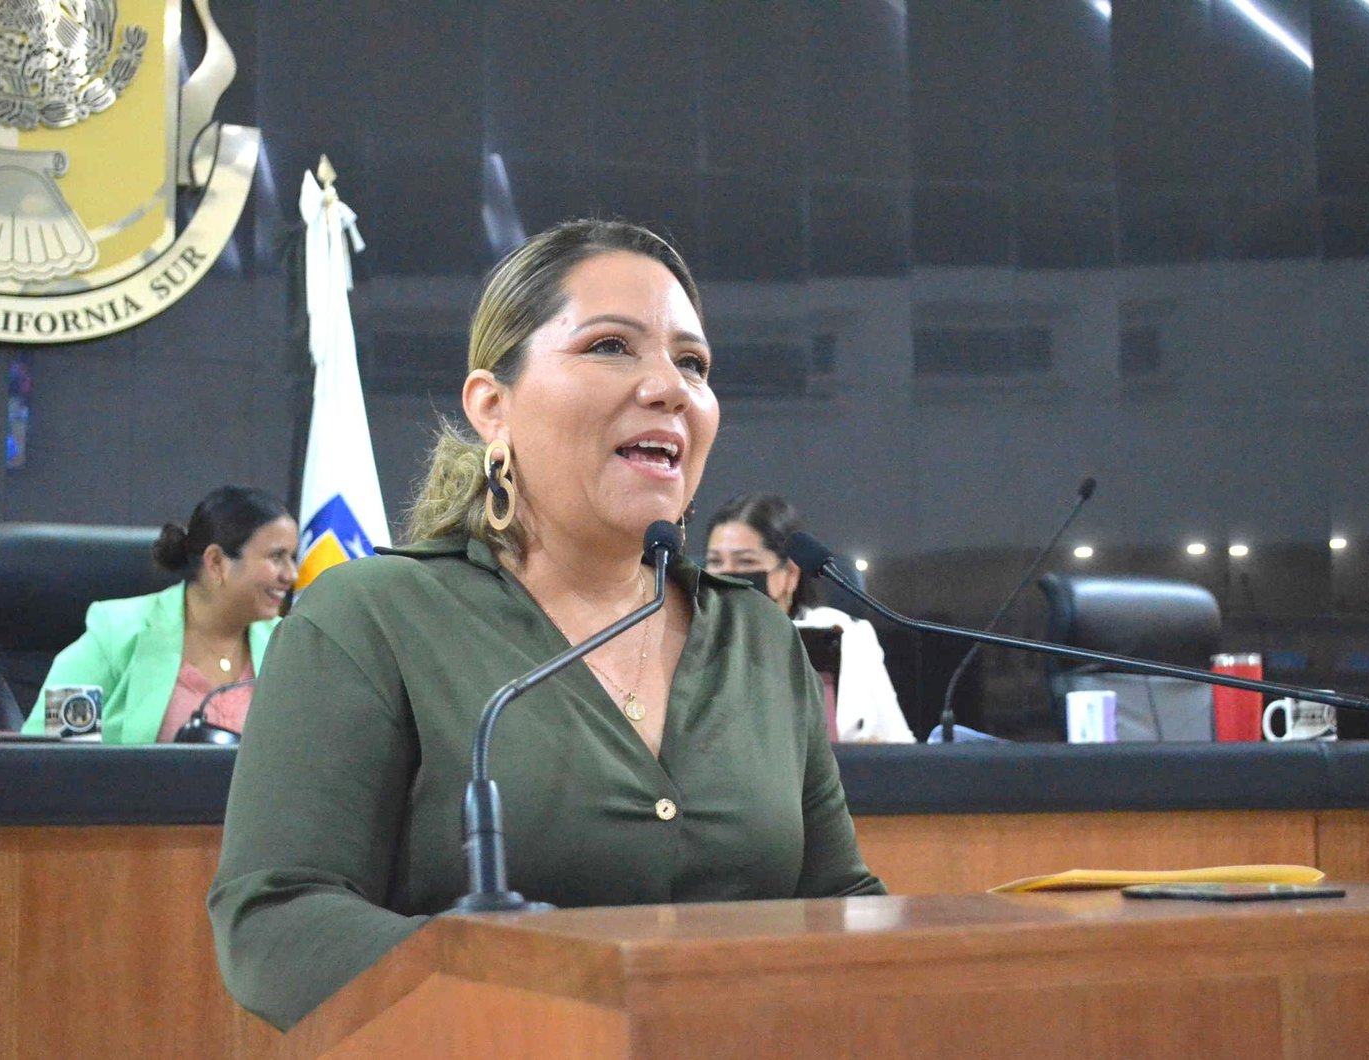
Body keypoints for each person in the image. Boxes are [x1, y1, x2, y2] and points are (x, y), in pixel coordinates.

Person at [208, 219, 885, 1031]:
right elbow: (276, 920)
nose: (670, 387)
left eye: (693, 363)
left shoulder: (757, 639)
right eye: (611, 346)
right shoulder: (369, 618)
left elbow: (838, 899)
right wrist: (539, 996)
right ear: (492, 406)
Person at [24, 485, 297, 743]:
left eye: (292, 557)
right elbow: (52, 751)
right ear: (216, 562)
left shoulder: (288, 645)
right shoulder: (116, 632)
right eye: (277, 557)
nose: (291, 575)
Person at [704, 493, 915, 744]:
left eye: (746, 562)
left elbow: (899, 743)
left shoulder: (851, 634)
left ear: (790, 574)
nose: (727, 575)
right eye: (715, 562)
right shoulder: (692, 635)